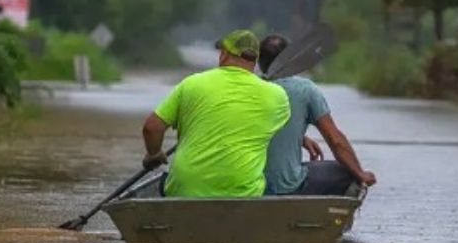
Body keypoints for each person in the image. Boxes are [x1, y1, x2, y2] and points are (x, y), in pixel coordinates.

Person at [141, 29, 289, 197]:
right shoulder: (277, 95)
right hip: (244, 193)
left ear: (224, 55)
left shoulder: (191, 84)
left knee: (166, 181)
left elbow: (151, 128)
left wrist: (154, 154)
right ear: (255, 60)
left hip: (186, 191)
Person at [259, 33, 376, 195]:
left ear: (259, 62)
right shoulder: (305, 89)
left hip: (252, 185)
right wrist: (360, 173)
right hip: (287, 186)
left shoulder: (249, 89)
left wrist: (301, 138)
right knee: (348, 172)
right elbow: (335, 141)